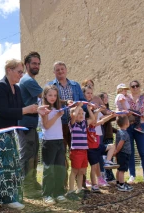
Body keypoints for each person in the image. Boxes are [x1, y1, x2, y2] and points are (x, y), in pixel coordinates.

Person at [0, 59, 48, 210]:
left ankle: (11, 197)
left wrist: (36, 110)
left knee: (11, 165)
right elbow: (3, 111)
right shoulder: (0, 87)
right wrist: (27, 110)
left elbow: (20, 109)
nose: (21, 75)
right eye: (19, 72)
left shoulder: (17, 88)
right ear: (9, 70)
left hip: (9, 131)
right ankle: (6, 199)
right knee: (2, 167)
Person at [47, 61, 86, 190]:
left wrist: (77, 106)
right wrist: (65, 104)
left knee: (79, 153)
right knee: (61, 155)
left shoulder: (75, 85)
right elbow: (49, 103)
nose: (60, 71)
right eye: (57, 70)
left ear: (66, 70)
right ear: (54, 72)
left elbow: (83, 102)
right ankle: (63, 185)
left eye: (62, 69)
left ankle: (81, 185)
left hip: (76, 125)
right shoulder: (50, 86)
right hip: (60, 125)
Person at [16, 51, 43, 197]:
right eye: (33, 63)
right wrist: (66, 102)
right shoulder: (27, 80)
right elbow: (45, 96)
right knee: (27, 155)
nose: (36, 66)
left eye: (38, 64)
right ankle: (26, 187)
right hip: (25, 124)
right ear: (27, 65)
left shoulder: (30, 80)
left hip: (31, 124)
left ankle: (32, 182)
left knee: (33, 155)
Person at [40, 85, 67, 205]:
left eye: (55, 95)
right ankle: (47, 194)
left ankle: (59, 193)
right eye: (50, 95)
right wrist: (57, 116)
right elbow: (46, 125)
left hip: (59, 141)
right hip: (49, 142)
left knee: (60, 168)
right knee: (49, 169)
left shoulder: (57, 108)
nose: (53, 97)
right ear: (45, 95)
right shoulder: (44, 109)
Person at [126, 80, 144, 183]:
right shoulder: (126, 98)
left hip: (141, 126)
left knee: (143, 152)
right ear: (130, 88)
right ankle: (132, 175)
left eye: (136, 86)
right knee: (130, 152)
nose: (135, 88)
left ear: (139, 87)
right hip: (129, 126)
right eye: (132, 86)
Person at [67, 102, 94, 197]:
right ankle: (71, 190)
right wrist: (78, 106)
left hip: (84, 151)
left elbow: (93, 119)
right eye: (79, 113)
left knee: (82, 171)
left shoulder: (84, 123)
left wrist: (89, 109)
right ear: (72, 115)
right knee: (74, 171)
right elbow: (74, 116)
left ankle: (79, 189)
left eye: (82, 113)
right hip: (76, 151)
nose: (81, 115)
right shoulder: (72, 124)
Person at [99, 92, 117, 182]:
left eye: (107, 97)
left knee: (109, 158)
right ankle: (107, 177)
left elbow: (109, 125)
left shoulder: (107, 110)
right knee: (106, 158)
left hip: (109, 135)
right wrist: (113, 115)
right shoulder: (102, 111)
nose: (106, 99)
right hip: (104, 136)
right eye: (104, 98)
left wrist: (116, 131)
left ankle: (109, 176)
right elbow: (107, 120)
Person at [114, 116, 133, 192]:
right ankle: (122, 185)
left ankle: (118, 182)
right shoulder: (124, 133)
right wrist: (116, 151)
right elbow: (120, 143)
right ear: (126, 123)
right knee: (122, 170)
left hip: (121, 154)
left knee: (119, 169)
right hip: (124, 153)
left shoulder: (119, 132)